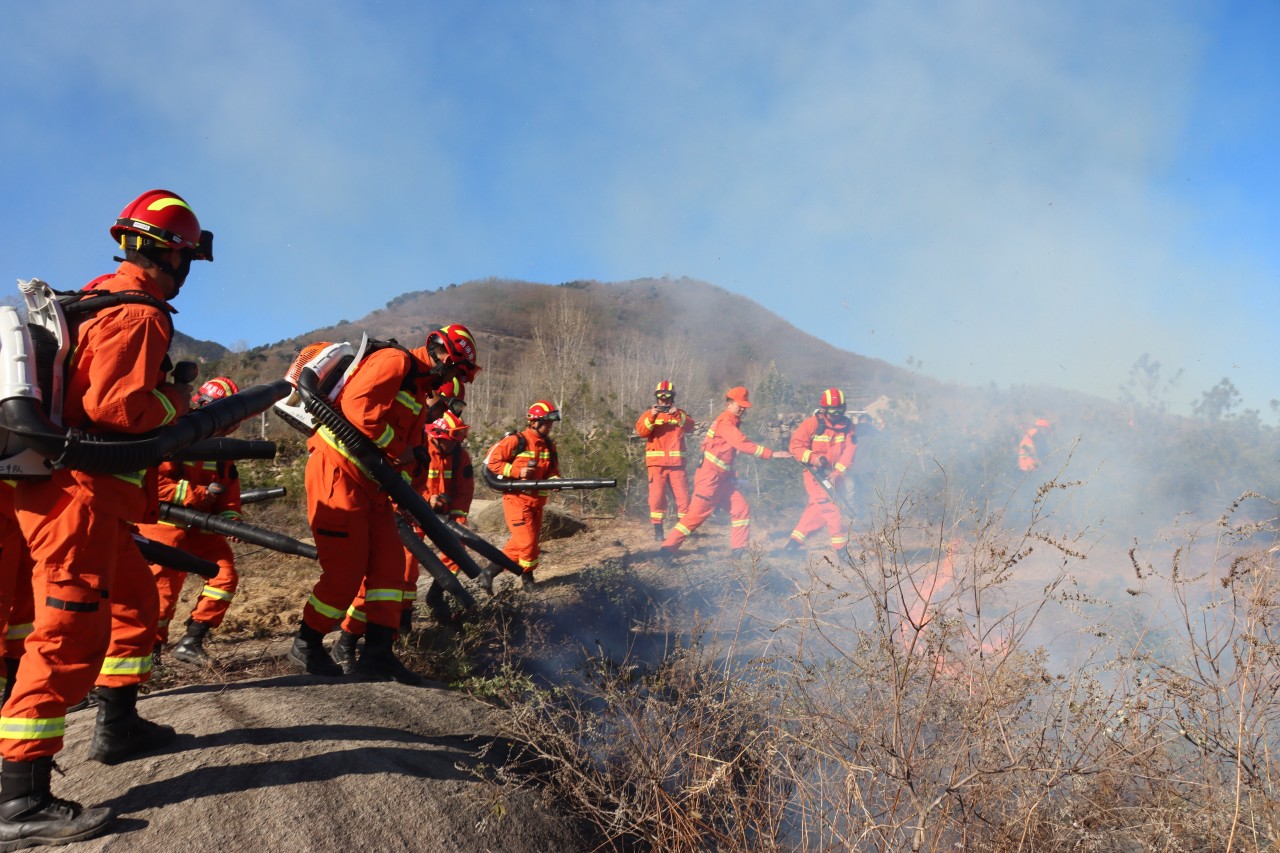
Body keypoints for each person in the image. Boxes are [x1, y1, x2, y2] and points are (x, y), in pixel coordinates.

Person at [0, 190, 211, 847]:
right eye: (186, 258)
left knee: (137, 605)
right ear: (173, 255)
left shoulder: (98, 296)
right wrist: (177, 401)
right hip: (80, 498)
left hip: (88, 498)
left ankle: (118, 723)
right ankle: (19, 801)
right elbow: (120, 410)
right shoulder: (141, 313)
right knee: (67, 636)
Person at [287, 325, 478, 684]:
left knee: (391, 570)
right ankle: (307, 642)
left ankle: (378, 654)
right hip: (338, 472)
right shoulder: (394, 361)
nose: (453, 380)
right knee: (346, 572)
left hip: (373, 487)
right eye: (455, 370)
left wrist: (411, 481)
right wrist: (401, 450)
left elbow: (410, 454)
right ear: (441, 357)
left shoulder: (419, 394)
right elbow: (360, 411)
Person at [332, 408, 475, 671]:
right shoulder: (413, 448)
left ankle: (396, 633)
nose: (454, 446)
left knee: (409, 578)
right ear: (437, 435)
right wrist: (425, 500)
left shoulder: (456, 455)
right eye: (451, 440)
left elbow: (463, 490)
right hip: (398, 519)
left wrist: (454, 519)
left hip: (430, 519)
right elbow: (395, 485)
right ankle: (347, 641)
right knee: (389, 579)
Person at [139, 377, 243, 665]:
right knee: (162, 592)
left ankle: (193, 640)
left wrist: (230, 517)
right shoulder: (173, 434)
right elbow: (153, 483)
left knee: (224, 576)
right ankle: (151, 653)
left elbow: (229, 489)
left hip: (201, 528)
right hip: (162, 525)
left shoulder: (222, 450)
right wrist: (195, 494)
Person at [659, 386, 791, 556]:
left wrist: (733, 476)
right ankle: (666, 550)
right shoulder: (726, 422)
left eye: (744, 406)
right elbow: (741, 443)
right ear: (729, 404)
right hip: (710, 479)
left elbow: (725, 454)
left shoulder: (730, 421)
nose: (742, 409)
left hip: (723, 480)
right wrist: (771, 453)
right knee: (694, 518)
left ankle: (739, 551)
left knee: (741, 509)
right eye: (739, 405)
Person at [483, 400, 562, 589]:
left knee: (521, 544)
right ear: (534, 422)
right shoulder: (516, 441)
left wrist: (555, 481)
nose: (550, 426)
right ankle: (528, 581)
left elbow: (552, 471)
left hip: (537, 503)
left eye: (551, 422)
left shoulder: (549, 446)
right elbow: (491, 463)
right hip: (517, 501)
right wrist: (517, 472)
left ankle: (488, 572)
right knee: (527, 543)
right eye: (546, 421)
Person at [784, 388, 857, 551]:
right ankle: (842, 550)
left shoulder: (848, 427)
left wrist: (837, 473)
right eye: (832, 411)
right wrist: (813, 458)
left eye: (840, 410)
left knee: (817, 510)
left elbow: (849, 453)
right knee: (832, 509)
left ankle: (793, 544)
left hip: (835, 476)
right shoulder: (812, 424)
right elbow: (795, 445)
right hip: (815, 475)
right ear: (824, 410)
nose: (836, 414)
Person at [635, 381, 695, 542]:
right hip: (657, 465)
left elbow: (690, 426)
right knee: (657, 498)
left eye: (666, 396)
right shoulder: (649, 414)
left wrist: (677, 414)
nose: (663, 401)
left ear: (672, 397)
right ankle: (658, 531)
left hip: (677, 465)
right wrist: (652, 416)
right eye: (660, 397)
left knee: (683, 499)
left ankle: (683, 532)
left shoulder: (680, 414)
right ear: (656, 397)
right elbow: (642, 431)